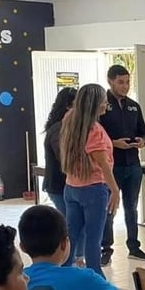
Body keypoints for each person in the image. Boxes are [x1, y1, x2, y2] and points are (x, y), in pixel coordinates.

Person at [60, 83, 120, 277]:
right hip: (93, 190)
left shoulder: (69, 119)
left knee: (71, 238)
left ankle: (64, 277)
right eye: (104, 101)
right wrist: (115, 191)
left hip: (71, 187)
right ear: (95, 104)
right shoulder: (94, 131)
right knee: (93, 241)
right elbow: (103, 165)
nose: (106, 104)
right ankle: (97, 283)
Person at [99, 64, 145, 265]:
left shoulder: (133, 106)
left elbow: (144, 132)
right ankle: (106, 248)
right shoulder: (102, 106)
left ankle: (134, 246)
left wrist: (142, 141)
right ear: (110, 81)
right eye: (121, 82)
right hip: (111, 166)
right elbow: (95, 136)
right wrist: (113, 143)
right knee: (110, 208)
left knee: (132, 207)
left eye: (128, 81)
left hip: (133, 164)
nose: (125, 86)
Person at [41, 86, 83, 265]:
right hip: (60, 186)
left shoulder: (67, 127)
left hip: (67, 185)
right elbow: (65, 159)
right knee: (71, 227)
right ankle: (69, 262)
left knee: (76, 225)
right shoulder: (59, 128)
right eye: (78, 105)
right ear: (68, 106)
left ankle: (76, 260)